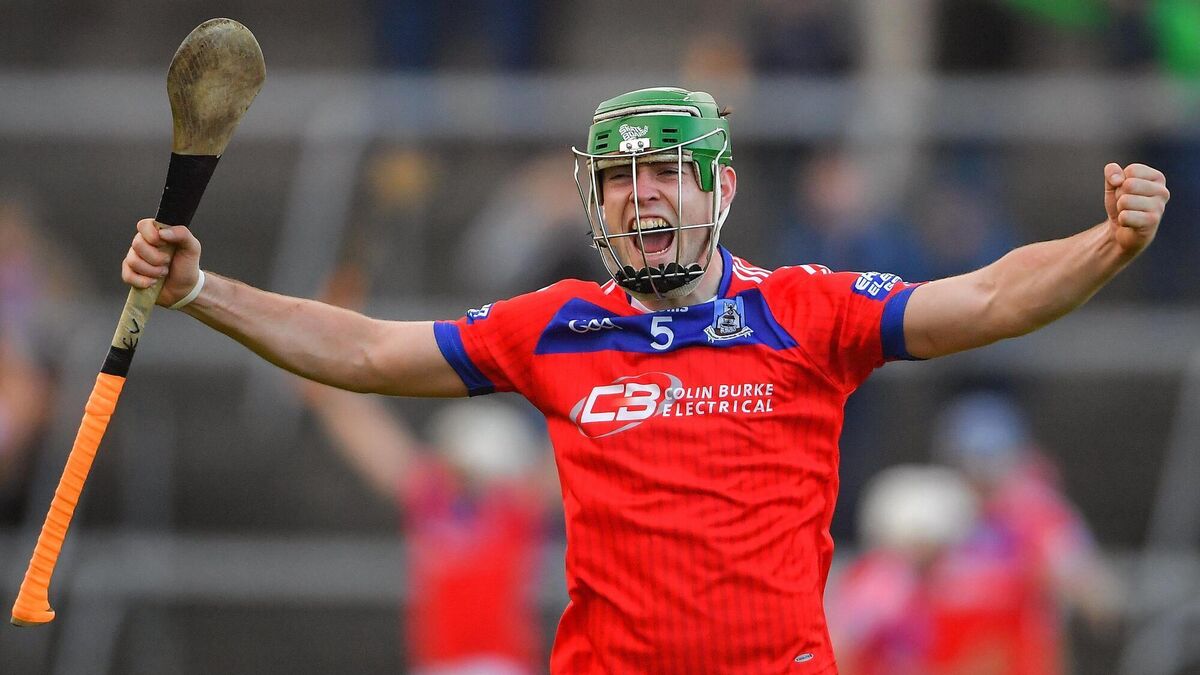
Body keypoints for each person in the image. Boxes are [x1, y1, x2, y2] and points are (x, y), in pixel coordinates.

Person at [120, 87, 1169, 674]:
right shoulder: (555, 326)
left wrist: (1106, 245)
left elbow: (986, 299)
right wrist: (202, 287)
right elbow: (363, 352)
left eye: (666, 170)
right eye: (620, 177)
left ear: (722, 186)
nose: (641, 195)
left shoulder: (807, 310)